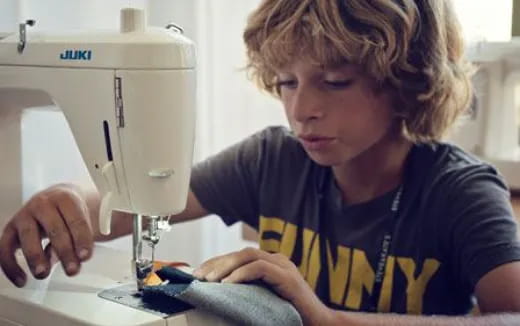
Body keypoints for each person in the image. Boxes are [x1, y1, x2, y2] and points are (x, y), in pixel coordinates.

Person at [2, 0, 520, 324]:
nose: (301, 110)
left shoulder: (460, 191)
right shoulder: (273, 158)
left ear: (407, 82)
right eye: (286, 83)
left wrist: (328, 321)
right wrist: (72, 199)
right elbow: (150, 198)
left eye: (335, 82)